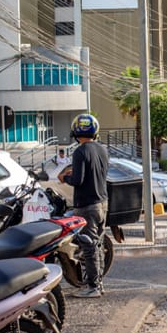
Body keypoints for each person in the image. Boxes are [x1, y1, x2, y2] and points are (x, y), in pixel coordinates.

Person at [58, 114, 109, 298]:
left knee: (88, 247)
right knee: (98, 244)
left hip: (87, 205)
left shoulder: (80, 151)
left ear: (76, 131)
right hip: (102, 203)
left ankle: (93, 287)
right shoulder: (102, 150)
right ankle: (99, 284)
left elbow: (78, 180)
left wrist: (65, 178)